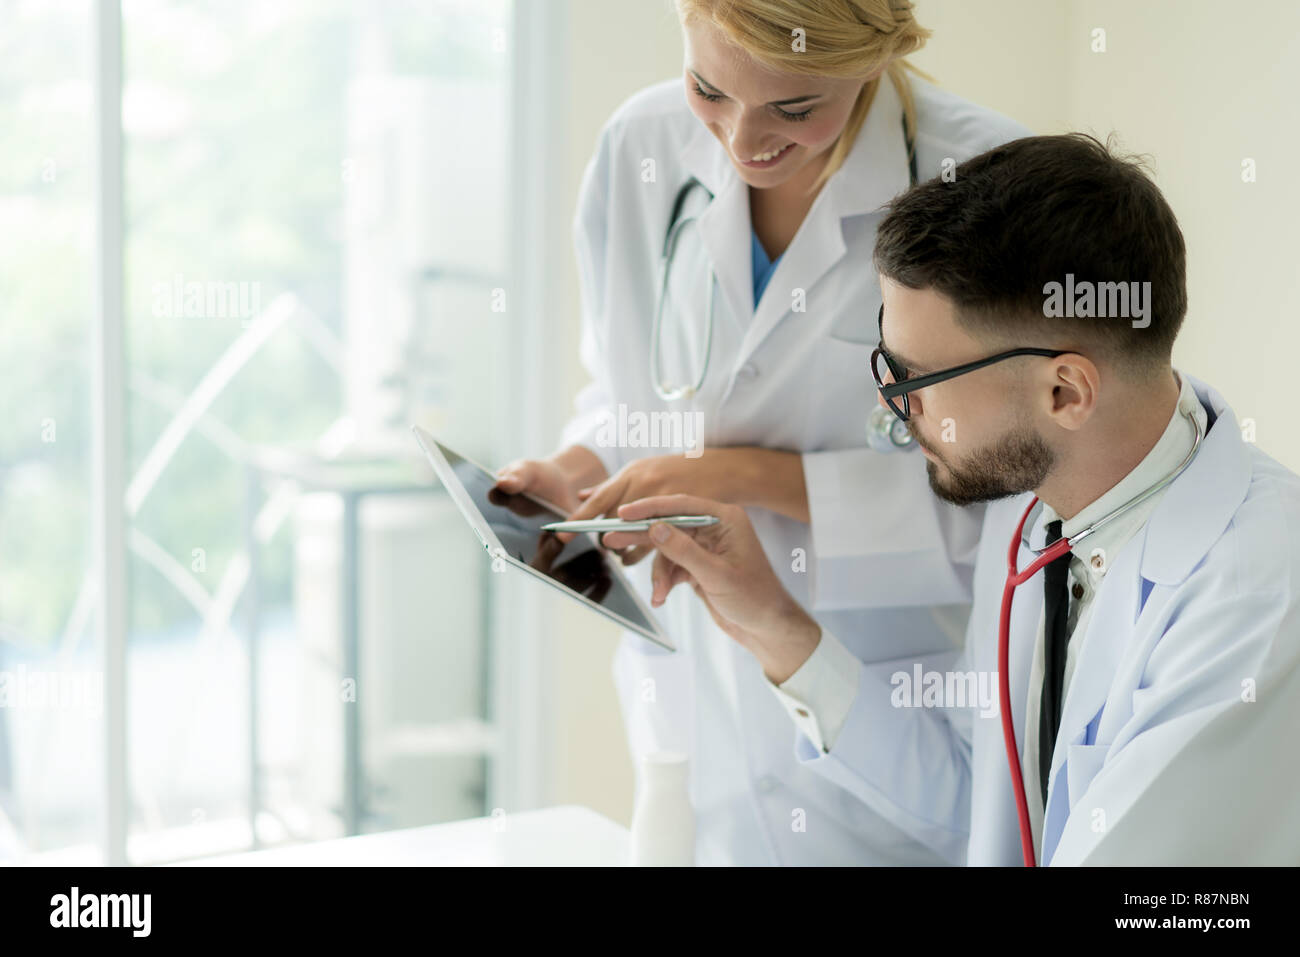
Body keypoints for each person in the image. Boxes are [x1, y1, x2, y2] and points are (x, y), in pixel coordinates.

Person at [605, 133, 1300, 865]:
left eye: (915, 380)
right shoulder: (1037, 518)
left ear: (1065, 391)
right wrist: (773, 621)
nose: (894, 412)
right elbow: (980, 803)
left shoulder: (1257, 593)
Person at [494, 0, 1030, 865]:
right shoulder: (641, 147)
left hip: (887, 720)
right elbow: (628, 384)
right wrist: (578, 469)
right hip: (693, 717)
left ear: (877, 55)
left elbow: (1011, 506)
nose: (742, 142)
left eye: (794, 108)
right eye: (709, 87)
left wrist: (739, 474)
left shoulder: (988, 183)